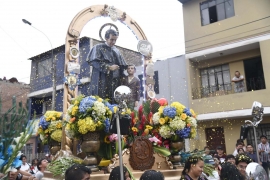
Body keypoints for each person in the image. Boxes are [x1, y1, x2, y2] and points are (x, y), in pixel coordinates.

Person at [86, 29, 127, 102]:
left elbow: (122, 65)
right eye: (111, 40)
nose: (113, 42)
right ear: (106, 38)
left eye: (115, 40)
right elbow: (94, 62)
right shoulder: (98, 47)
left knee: (113, 100)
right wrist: (108, 67)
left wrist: (122, 74)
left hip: (114, 81)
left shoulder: (116, 50)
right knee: (102, 98)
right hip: (102, 79)